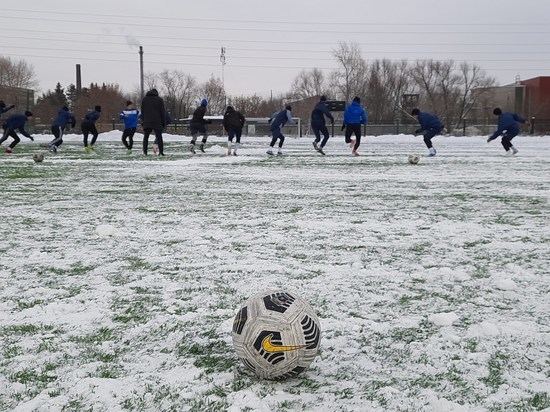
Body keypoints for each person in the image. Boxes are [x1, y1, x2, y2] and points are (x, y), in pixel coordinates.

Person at [141, 89, 166, 156]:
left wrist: (143, 121)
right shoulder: (159, 100)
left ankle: (145, 152)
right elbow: (162, 112)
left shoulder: (144, 99)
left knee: (146, 136)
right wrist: (163, 122)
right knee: (159, 136)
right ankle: (161, 152)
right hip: (157, 120)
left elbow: (142, 111)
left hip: (147, 120)